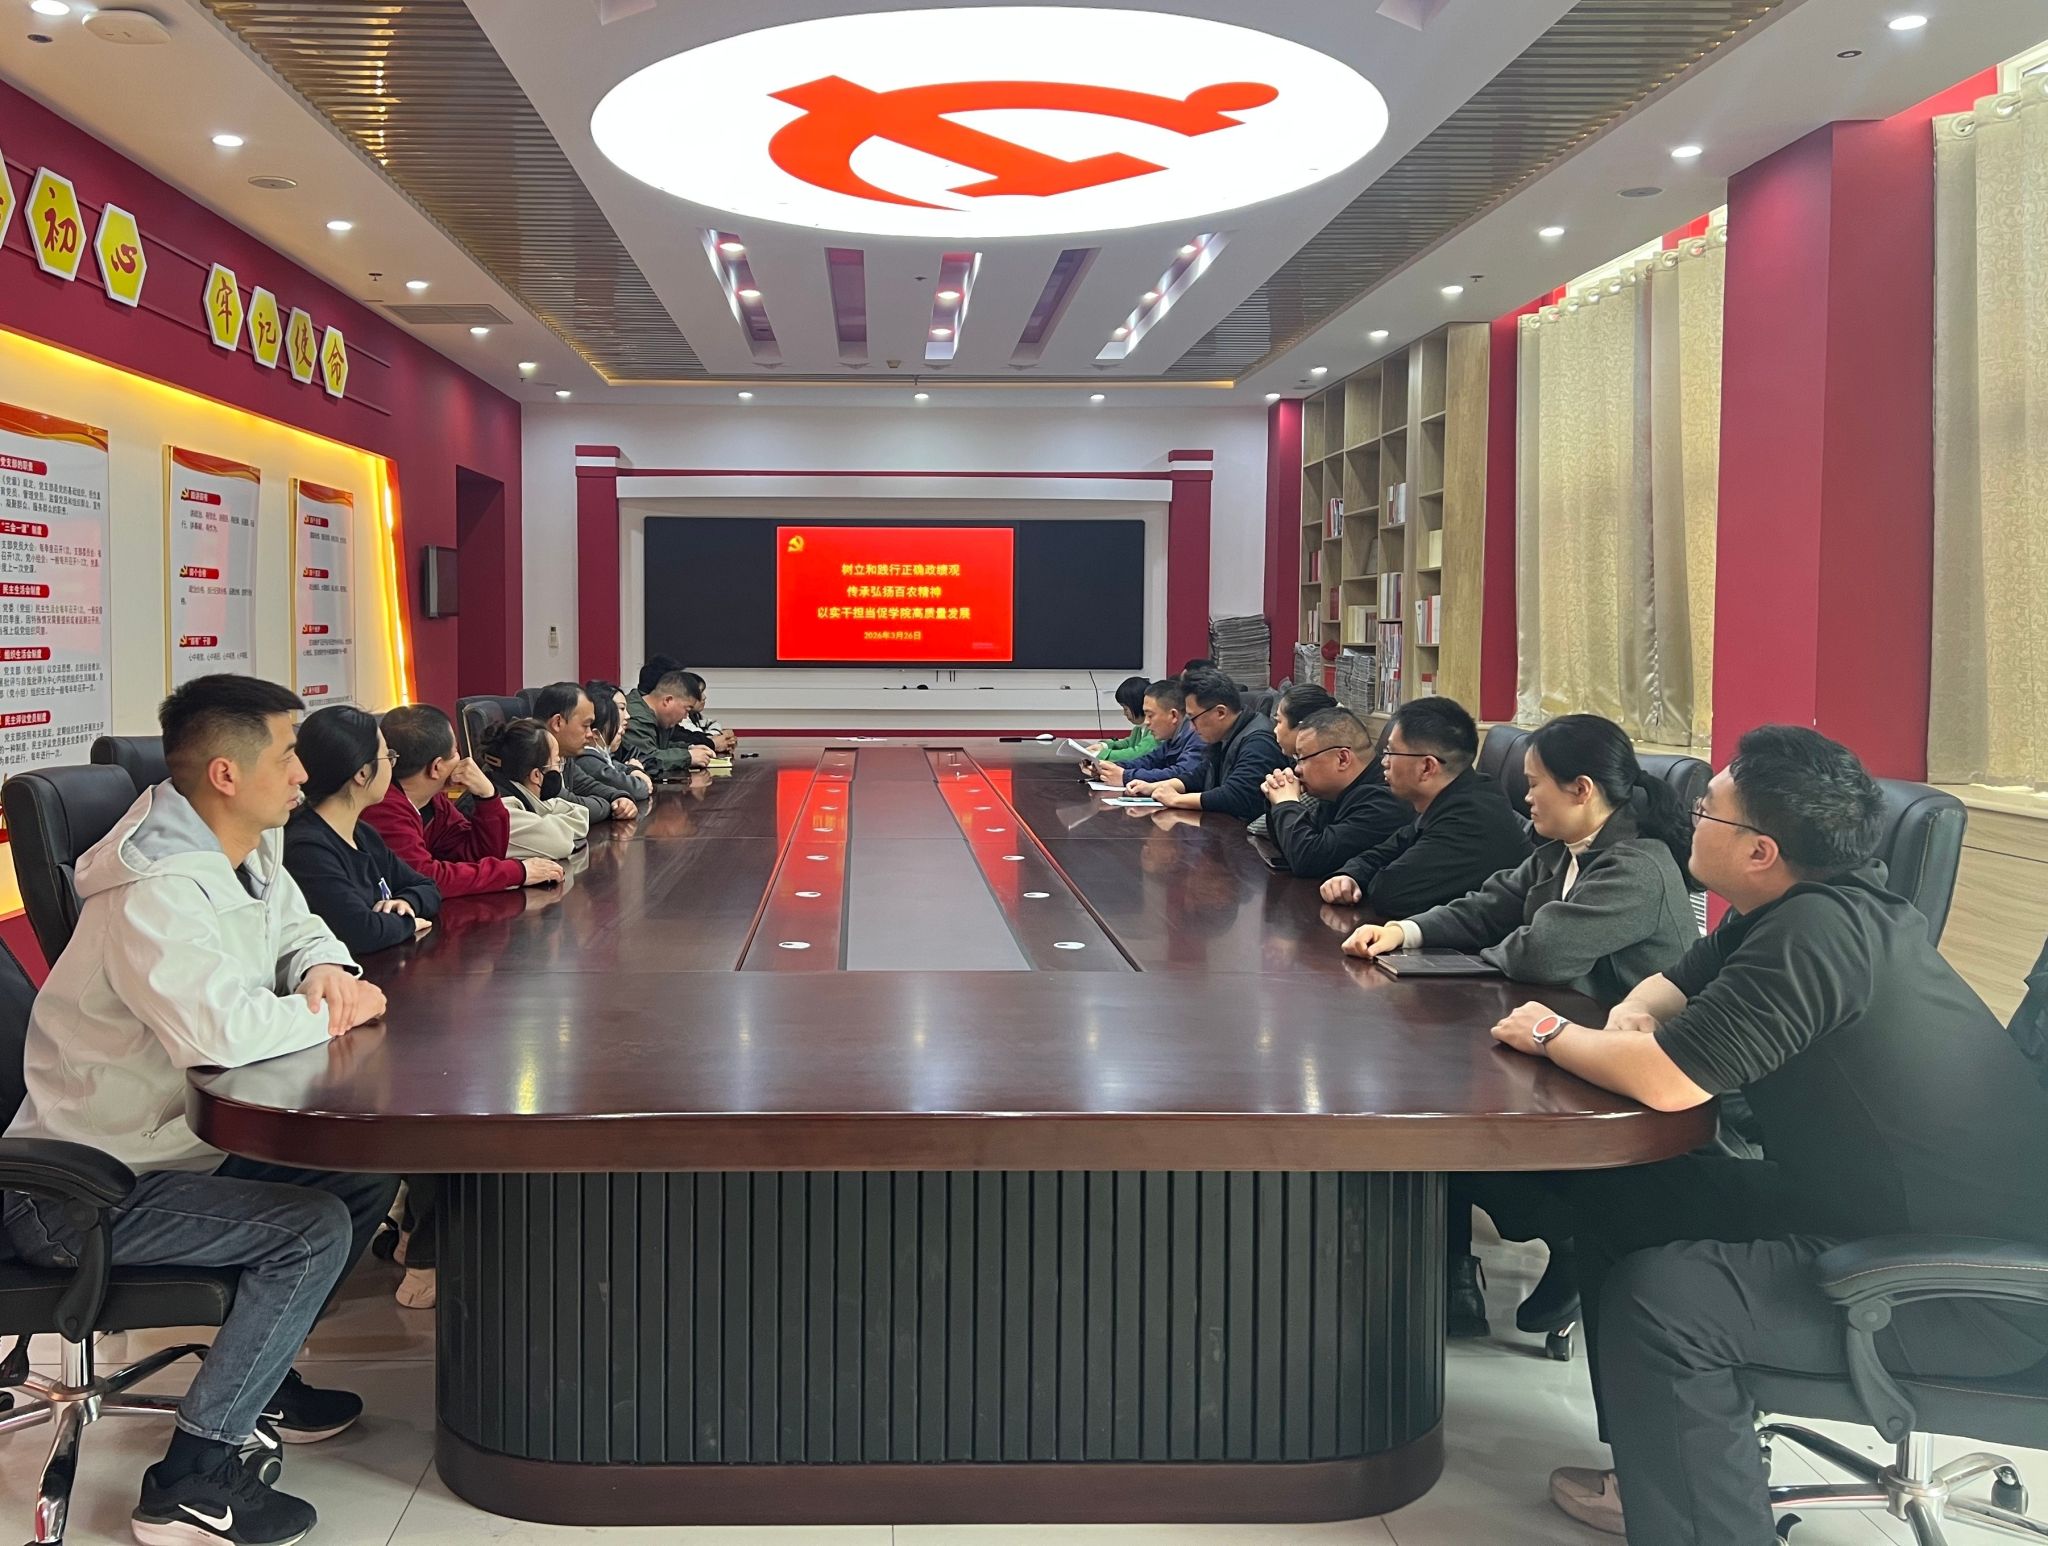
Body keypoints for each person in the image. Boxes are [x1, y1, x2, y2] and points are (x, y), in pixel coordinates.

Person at [1484, 726, 2048, 1545]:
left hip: (1963, 1284)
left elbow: (1667, 1081)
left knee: (1666, 1303)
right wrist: (1631, 1021)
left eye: (1709, 808)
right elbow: (1664, 988)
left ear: (1760, 850)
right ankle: (1654, 1467)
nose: (1691, 817)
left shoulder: (1817, 934)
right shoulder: (1792, 910)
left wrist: (1547, 1034)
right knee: (1628, 1195)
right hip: (1861, 1210)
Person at [1, 675, 394, 1546]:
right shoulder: (155, 888)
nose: (303, 773)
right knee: (310, 1229)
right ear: (226, 773)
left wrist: (325, 971)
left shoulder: (245, 845)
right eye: (288, 755)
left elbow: (299, 929)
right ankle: (191, 1482)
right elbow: (219, 1036)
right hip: (78, 1189)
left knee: (360, 1174)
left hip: (167, 1149)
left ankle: (258, 1377)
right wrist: (339, 1011)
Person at [1345, 713, 1701, 1344]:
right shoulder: (1560, 853)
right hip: (1563, 1044)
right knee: (1441, 1110)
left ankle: (1579, 1239)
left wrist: (1485, 953)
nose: (1525, 797)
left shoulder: (1635, 868)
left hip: (1621, 1076)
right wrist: (1406, 932)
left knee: (1462, 1145)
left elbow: (1542, 954)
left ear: (1582, 789)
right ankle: (1478, 1260)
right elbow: (1490, 904)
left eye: (1535, 784)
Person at [1321, 697, 1531, 919]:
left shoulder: (1470, 818)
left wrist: (1363, 879)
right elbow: (1386, 850)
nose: (1384, 762)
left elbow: (1390, 894)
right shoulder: (1451, 797)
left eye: (1391, 752)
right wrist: (1351, 875)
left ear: (1427, 767)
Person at [283, 704, 441, 956]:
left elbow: (427, 886)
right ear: (362, 772)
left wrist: (406, 903)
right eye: (387, 756)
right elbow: (360, 931)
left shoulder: (363, 834)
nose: (392, 765)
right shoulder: (307, 848)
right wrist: (408, 923)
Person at [364, 703, 563, 896]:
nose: (463, 760)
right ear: (437, 767)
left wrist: (487, 796)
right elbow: (425, 878)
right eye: (455, 752)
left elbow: (478, 856)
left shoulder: (434, 802)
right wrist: (518, 872)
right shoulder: (383, 808)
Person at [1259, 705, 1409, 878]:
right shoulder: (1336, 792)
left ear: (1342, 759)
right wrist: (1277, 801)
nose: (1297, 769)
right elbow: (1292, 850)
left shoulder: (1384, 802)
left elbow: (1309, 860)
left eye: (1302, 758)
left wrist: (1286, 803)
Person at [1129, 667, 1286, 819]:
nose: (1191, 727)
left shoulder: (1259, 741)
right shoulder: (1225, 734)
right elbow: (1200, 775)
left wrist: (1176, 799)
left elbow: (1236, 795)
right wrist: (1154, 787)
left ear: (1220, 712)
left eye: (1193, 718)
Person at [477, 717, 590, 861]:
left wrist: (543, 823)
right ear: (536, 775)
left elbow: (580, 814)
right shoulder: (501, 807)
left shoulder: (518, 791)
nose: (559, 769)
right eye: (557, 762)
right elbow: (561, 842)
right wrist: (549, 824)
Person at [531, 681, 640, 825]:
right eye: (586, 725)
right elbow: (572, 805)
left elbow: (589, 786)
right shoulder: (534, 761)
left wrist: (620, 797)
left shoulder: (565, 758)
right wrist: (612, 807)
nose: (590, 734)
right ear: (557, 723)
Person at [1247, 683, 1340, 838]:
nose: (1274, 730)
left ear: (1303, 728)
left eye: (1279, 722)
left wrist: (1284, 801)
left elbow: (1258, 828)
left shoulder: (1320, 773)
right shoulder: (1297, 761)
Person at [1095, 679, 1204, 789]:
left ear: (1173, 716)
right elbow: (1149, 761)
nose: (1146, 722)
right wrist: (1109, 768)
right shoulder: (1173, 738)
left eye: (1150, 715)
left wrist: (1125, 776)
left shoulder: (1198, 737)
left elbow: (1181, 774)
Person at [623, 665, 715, 778]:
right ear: (668, 700)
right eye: (687, 709)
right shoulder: (635, 717)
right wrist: (688, 757)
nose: (686, 716)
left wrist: (689, 748)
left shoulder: (657, 717)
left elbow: (660, 747)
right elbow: (645, 758)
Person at [576, 679, 655, 802]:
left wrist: (633, 769)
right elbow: (638, 789)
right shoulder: (586, 760)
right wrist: (637, 771)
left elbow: (617, 766)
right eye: (622, 708)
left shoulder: (601, 756)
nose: (628, 716)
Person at [1088, 675, 1156, 766]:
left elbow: (1138, 753)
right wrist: (1104, 746)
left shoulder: (1156, 729)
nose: (1124, 713)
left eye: (1125, 708)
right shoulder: (1138, 729)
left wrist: (1102, 754)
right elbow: (1128, 743)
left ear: (1137, 705)